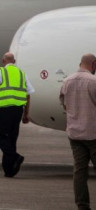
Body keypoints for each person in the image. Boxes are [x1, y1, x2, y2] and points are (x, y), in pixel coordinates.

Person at [0, 52, 34, 177]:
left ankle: (15, 157)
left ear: (3, 61)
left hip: (4, 109)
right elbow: (28, 95)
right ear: (14, 61)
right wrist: (26, 114)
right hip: (18, 110)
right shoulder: (22, 74)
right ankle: (9, 170)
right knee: (11, 138)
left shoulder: (1, 72)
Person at [59, 53, 96, 209]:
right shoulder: (93, 82)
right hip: (93, 133)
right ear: (93, 64)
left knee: (79, 171)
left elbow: (63, 103)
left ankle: (82, 204)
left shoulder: (66, 81)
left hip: (75, 133)